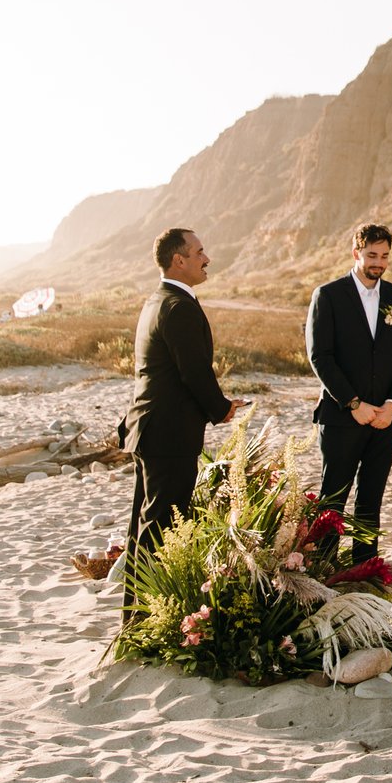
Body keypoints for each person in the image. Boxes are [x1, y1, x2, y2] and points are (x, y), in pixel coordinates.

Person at [119, 229, 236, 615]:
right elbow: (194, 372)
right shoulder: (179, 306)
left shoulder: (158, 300)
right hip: (168, 434)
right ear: (178, 260)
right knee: (161, 527)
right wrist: (221, 409)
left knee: (145, 525)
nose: (207, 258)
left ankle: (136, 616)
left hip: (150, 428)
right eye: (199, 252)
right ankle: (148, 617)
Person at [305, 223, 392, 564]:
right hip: (342, 417)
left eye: (384, 256)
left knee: (371, 501)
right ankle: (323, 571)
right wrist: (352, 403)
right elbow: (319, 356)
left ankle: (364, 572)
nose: (379, 263)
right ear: (356, 253)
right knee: (333, 500)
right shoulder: (328, 295)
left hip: (384, 421)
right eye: (372, 255)